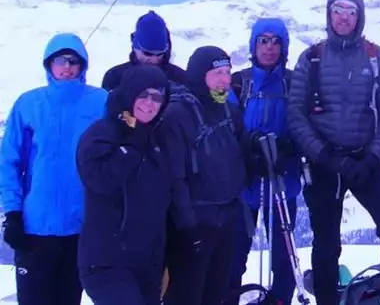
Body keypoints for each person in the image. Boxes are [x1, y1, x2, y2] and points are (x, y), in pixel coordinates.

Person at [287, 0, 380, 305]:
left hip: (364, 159)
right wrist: (325, 156)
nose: (344, 17)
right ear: (329, 14)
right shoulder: (311, 58)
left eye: (350, 11)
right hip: (323, 163)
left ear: (360, 16)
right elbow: (296, 116)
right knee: (326, 243)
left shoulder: (377, 58)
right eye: (338, 10)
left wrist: (372, 158)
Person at [0, 33, 108, 305]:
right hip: (35, 227)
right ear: (48, 64)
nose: (67, 67)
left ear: (83, 65)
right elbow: (9, 161)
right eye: (60, 60)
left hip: (80, 227)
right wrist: (12, 213)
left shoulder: (100, 102)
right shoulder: (29, 104)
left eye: (74, 61)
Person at [159, 46, 249, 305]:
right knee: (186, 296)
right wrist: (187, 228)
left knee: (215, 295)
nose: (224, 79)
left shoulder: (227, 110)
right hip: (195, 225)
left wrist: (260, 147)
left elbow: (239, 151)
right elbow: (175, 179)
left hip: (225, 221)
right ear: (200, 75)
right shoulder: (178, 115)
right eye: (217, 73)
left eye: (227, 72)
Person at [76, 65, 171, 305]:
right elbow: (99, 181)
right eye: (143, 95)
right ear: (129, 94)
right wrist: (129, 150)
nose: (150, 104)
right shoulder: (102, 133)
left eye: (157, 97)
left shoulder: (155, 138)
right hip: (107, 261)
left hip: (147, 262)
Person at [228, 18, 301, 304]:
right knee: (234, 255)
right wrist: (247, 149)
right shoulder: (239, 82)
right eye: (263, 40)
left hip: (283, 181)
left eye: (275, 41)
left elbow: (304, 124)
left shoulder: (294, 83)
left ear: (283, 47)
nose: (269, 48)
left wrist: (289, 148)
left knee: (283, 260)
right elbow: (228, 126)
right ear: (253, 44)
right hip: (246, 183)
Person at [101, 10, 185, 91]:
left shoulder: (180, 80)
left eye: (160, 54)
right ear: (135, 47)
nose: (154, 59)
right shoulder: (115, 78)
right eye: (147, 53)